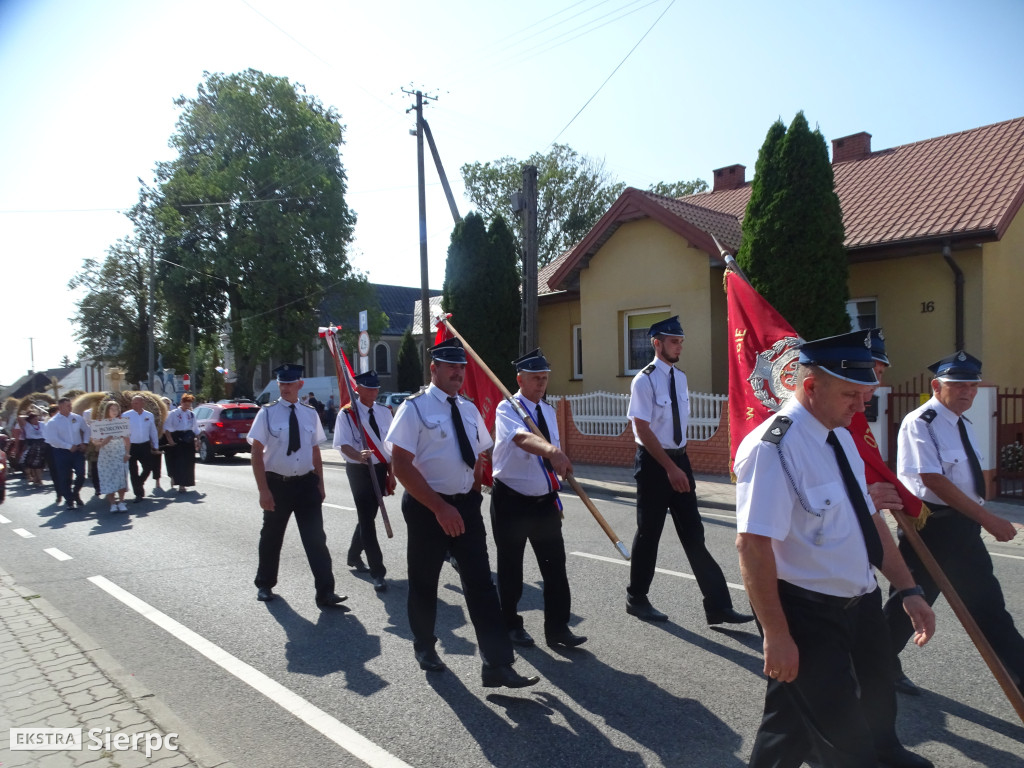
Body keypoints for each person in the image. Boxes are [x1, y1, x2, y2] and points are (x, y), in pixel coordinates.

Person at [734, 330, 935, 768]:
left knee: (802, 720)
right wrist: (777, 634)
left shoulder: (839, 434)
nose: (860, 406)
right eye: (851, 395)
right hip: (809, 616)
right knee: (845, 746)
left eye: (865, 395)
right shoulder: (774, 449)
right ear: (811, 386)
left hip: (860, 603)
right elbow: (751, 546)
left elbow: (868, 521)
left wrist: (908, 588)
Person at [386, 337, 540, 688]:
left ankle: (497, 665)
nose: (457, 372)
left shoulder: (468, 408)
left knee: (482, 585)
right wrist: (440, 507)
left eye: (461, 367)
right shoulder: (415, 408)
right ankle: (425, 644)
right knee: (425, 582)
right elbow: (401, 466)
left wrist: (471, 492)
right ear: (434, 368)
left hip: (465, 507)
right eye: (450, 366)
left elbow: (480, 452)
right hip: (429, 507)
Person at [883, 351, 1024, 696]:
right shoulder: (922, 422)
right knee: (909, 605)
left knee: (988, 607)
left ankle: (1021, 678)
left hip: (962, 529)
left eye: (972, 386)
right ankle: (871, 666)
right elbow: (932, 478)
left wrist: (979, 517)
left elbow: (965, 478)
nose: (967, 392)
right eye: (958, 385)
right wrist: (988, 518)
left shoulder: (962, 424)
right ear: (937, 385)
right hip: (931, 530)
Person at [625, 315, 752, 626]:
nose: (679, 346)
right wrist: (669, 467)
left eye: (681, 341)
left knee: (694, 534)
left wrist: (679, 464)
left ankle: (718, 606)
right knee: (649, 533)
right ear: (657, 343)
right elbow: (641, 428)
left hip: (679, 462)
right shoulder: (644, 379)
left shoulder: (679, 378)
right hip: (656, 466)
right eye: (673, 341)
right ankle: (636, 598)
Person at [490, 349, 585, 650]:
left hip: (544, 501)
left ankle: (557, 628)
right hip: (512, 500)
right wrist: (552, 451)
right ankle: (509, 625)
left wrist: (558, 466)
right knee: (511, 568)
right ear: (520, 379)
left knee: (554, 566)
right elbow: (520, 438)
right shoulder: (509, 409)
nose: (541, 384)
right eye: (535, 378)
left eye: (544, 378)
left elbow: (550, 454)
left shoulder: (548, 410)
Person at [248, 364, 345, 608]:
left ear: (300, 384)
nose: (285, 387)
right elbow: (256, 452)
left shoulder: (309, 412)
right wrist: (263, 490)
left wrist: (320, 484)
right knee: (272, 536)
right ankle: (265, 584)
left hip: (305, 485)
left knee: (316, 539)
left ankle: (325, 592)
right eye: (282, 383)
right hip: (277, 485)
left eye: (290, 383)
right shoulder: (267, 413)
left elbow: (314, 451)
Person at [334, 370, 396, 592]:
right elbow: (342, 444)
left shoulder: (385, 411)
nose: (374, 391)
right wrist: (357, 454)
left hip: (380, 469)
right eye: (368, 387)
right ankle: (377, 571)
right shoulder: (348, 414)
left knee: (369, 514)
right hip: (359, 470)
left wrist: (392, 473)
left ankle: (353, 554)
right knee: (367, 519)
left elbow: (390, 446)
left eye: (376, 387)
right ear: (357, 389)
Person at [44, 397, 90, 510]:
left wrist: (85, 442)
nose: (70, 407)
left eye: (70, 405)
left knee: (81, 474)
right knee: (65, 477)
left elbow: (87, 429)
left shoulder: (77, 418)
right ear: (60, 407)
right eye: (67, 405)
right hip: (62, 452)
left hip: (77, 451)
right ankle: (69, 500)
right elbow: (52, 439)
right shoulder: (53, 422)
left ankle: (75, 493)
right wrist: (68, 446)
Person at [93, 400, 130, 513]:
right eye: (112, 409)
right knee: (109, 478)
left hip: (119, 452)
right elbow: (96, 444)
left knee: (121, 478)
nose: (115, 411)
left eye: (116, 409)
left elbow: (127, 440)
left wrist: (127, 453)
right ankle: (112, 503)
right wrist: (104, 441)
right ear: (107, 410)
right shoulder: (100, 424)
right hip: (106, 455)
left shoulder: (122, 423)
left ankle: (122, 501)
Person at [125, 395, 159, 503]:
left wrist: (156, 445)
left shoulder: (149, 415)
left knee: (149, 466)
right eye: (133, 403)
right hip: (131, 446)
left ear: (142, 403)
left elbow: (152, 431)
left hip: (144, 445)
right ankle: (138, 493)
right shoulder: (126, 415)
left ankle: (139, 482)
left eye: (136, 403)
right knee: (133, 470)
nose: (134, 405)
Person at [164, 394, 200, 494]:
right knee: (179, 462)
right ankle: (180, 483)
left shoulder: (191, 414)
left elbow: (196, 429)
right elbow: (167, 428)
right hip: (177, 437)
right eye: (186, 404)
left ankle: (186, 482)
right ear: (181, 403)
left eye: (189, 404)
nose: (187, 406)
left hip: (188, 438)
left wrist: (197, 440)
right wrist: (170, 440)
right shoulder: (173, 413)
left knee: (188, 462)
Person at [19, 411, 47, 487]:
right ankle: (36, 479)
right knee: (32, 464)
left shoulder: (42, 424)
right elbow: (20, 418)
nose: (36, 420)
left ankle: (38, 479)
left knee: (40, 464)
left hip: (42, 444)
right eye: (34, 419)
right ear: (30, 420)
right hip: (32, 444)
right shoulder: (27, 425)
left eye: (37, 419)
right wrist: (27, 417)